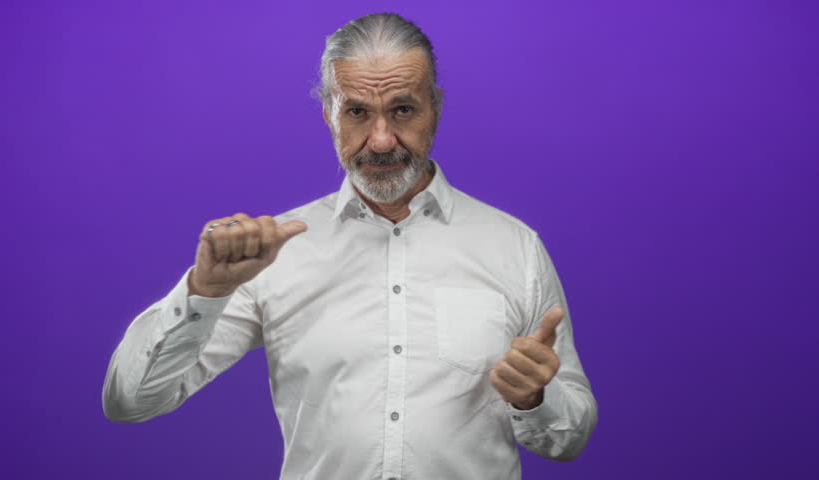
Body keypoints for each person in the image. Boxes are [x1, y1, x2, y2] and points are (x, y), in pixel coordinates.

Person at [102, 12, 597, 479]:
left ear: (436, 110)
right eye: (357, 112)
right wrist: (204, 291)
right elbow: (131, 400)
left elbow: (570, 436)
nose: (381, 140)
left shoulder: (513, 247)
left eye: (403, 109)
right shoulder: (275, 252)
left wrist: (535, 399)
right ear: (328, 114)